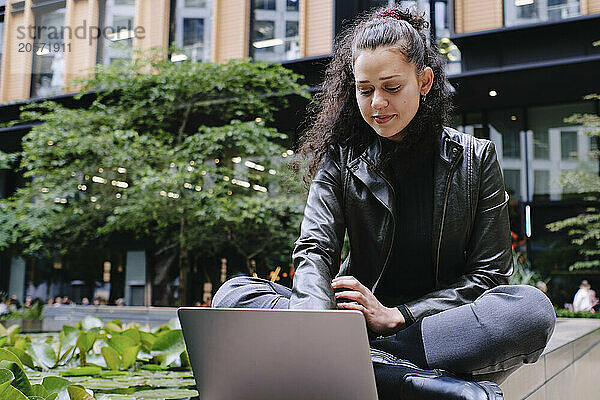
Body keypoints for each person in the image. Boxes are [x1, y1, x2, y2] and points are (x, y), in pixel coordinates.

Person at [212, 7, 555, 400]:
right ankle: (407, 378)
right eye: (365, 89)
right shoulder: (341, 158)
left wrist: (399, 316)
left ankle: (372, 362)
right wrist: (314, 321)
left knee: (531, 311)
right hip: (346, 323)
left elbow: (489, 278)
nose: (377, 104)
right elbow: (315, 249)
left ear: (424, 81)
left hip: (432, 329)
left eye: (391, 88)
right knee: (233, 295)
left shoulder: (476, 159)